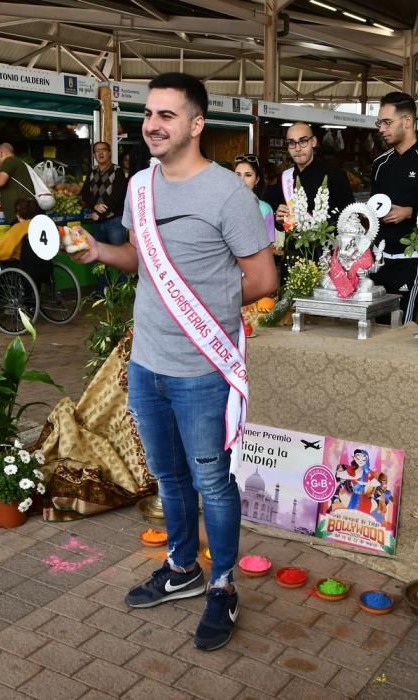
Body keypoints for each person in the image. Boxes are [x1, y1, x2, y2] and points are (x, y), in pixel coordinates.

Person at [71, 72, 277, 651]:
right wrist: (97, 251)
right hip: (148, 362)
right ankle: (182, 568)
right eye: (149, 114)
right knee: (169, 477)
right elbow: (141, 258)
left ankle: (224, 587)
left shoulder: (228, 194)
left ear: (196, 124)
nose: (154, 124)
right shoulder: (139, 187)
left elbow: (263, 279)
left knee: (213, 480)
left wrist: (206, 304)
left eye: (168, 115)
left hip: (201, 368)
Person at [370, 92, 418, 323]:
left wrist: (410, 211)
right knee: (378, 323)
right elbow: (374, 207)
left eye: (387, 122)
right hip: (380, 257)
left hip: (414, 257)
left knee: (405, 324)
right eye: (379, 123)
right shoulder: (380, 164)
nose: (381, 129)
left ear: (407, 122)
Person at [275, 121, 354, 280]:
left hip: (325, 257)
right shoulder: (285, 178)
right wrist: (279, 219)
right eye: (291, 143)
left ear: (314, 142)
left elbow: (350, 216)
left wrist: (317, 223)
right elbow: (281, 224)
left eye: (303, 141)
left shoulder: (334, 175)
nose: (297, 148)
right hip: (293, 257)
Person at [80, 141, 128, 245]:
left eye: (103, 150)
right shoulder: (92, 172)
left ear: (109, 153)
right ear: (94, 155)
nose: (100, 153)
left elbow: (117, 197)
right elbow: (85, 193)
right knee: (102, 255)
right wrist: (94, 206)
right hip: (97, 222)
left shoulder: (118, 171)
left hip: (115, 221)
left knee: (117, 255)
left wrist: (99, 213)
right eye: (97, 151)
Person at [0, 143, 34, 224]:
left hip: (21, 214)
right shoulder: (16, 162)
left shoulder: (9, 161)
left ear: (0, 153)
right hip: (21, 214)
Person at [234, 154, 275, 243]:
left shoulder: (265, 209)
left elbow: (268, 245)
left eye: (248, 175)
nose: (241, 180)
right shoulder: (224, 206)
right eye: (237, 175)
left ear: (257, 180)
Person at [0, 198, 39, 262]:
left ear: (18, 214)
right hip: (41, 265)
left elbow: (1, 252)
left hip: (21, 266)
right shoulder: (40, 225)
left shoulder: (19, 228)